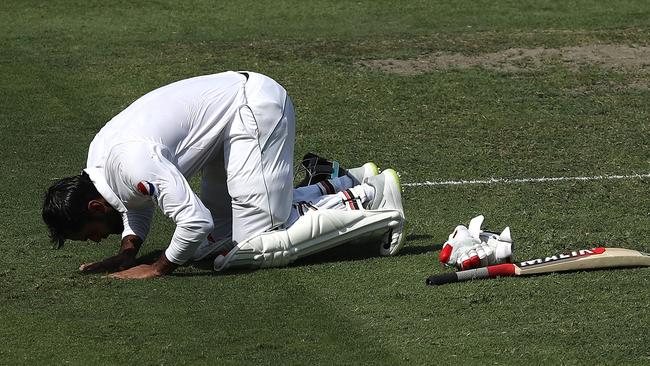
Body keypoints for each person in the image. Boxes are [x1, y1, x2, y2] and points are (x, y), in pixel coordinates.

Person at [42, 71, 406, 279]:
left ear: (94, 204)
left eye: (88, 234)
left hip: (253, 108)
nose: (93, 242)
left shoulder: (132, 161)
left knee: (254, 244)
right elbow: (138, 201)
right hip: (224, 128)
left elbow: (194, 219)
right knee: (210, 246)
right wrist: (128, 250)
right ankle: (339, 180)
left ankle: (370, 197)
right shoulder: (100, 164)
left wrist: (157, 267)